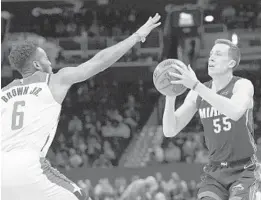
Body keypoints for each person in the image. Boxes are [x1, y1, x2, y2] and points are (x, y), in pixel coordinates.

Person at [1, 13, 161, 200]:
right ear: (36, 64)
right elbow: (99, 62)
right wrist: (136, 36)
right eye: (46, 58)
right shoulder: (53, 80)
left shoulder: (3, 92)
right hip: (29, 167)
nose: (50, 62)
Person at [163, 39, 261, 200]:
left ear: (231, 63)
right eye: (210, 54)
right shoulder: (198, 92)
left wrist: (196, 86)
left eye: (218, 54)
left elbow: (235, 111)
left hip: (244, 169)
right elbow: (170, 130)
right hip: (215, 172)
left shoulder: (242, 85)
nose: (211, 58)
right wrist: (170, 95)